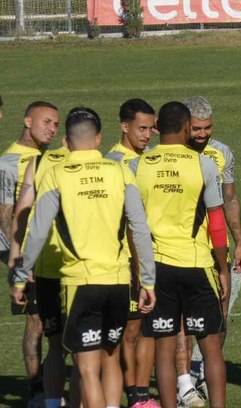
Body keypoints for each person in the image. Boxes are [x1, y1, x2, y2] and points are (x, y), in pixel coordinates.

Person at [11, 107, 156, 408]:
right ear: (99, 138)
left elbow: (37, 232)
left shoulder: (56, 174)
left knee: (87, 368)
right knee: (112, 358)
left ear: (66, 140)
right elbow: (139, 228)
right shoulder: (119, 171)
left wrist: (21, 275)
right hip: (118, 282)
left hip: (81, 283)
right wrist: (148, 281)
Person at [133, 101, 229, 408]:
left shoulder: (138, 165)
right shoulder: (203, 164)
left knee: (163, 349)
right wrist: (223, 267)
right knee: (211, 347)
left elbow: (132, 224)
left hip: (157, 268)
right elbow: (216, 221)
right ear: (188, 126)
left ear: (158, 126)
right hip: (197, 265)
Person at [173, 96, 241, 405]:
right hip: (178, 251)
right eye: (196, 128)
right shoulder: (168, 156)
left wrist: (239, 241)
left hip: (216, 250)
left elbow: (229, 198)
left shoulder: (222, 153)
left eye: (207, 128)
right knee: (180, 320)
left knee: (220, 312)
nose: (202, 134)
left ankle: (206, 371)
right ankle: (183, 384)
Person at [0, 101, 59, 406]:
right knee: (35, 320)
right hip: (26, 255)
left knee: (55, 321)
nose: (51, 128)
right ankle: (37, 390)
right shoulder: (10, 162)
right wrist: (20, 258)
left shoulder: (47, 158)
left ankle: (52, 387)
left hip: (51, 252)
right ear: (27, 121)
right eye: (46, 122)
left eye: (56, 124)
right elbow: (6, 212)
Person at [105, 98, 159, 408]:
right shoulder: (115, 163)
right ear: (124, 127)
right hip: (129, 260)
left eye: (151, 128)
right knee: (132, 327)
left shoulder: (148, 159)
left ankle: (141, 392)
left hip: (151, 257)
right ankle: (135, 393)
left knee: (148, 327)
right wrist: (137, 267)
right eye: (141, 128)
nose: (148, 134)